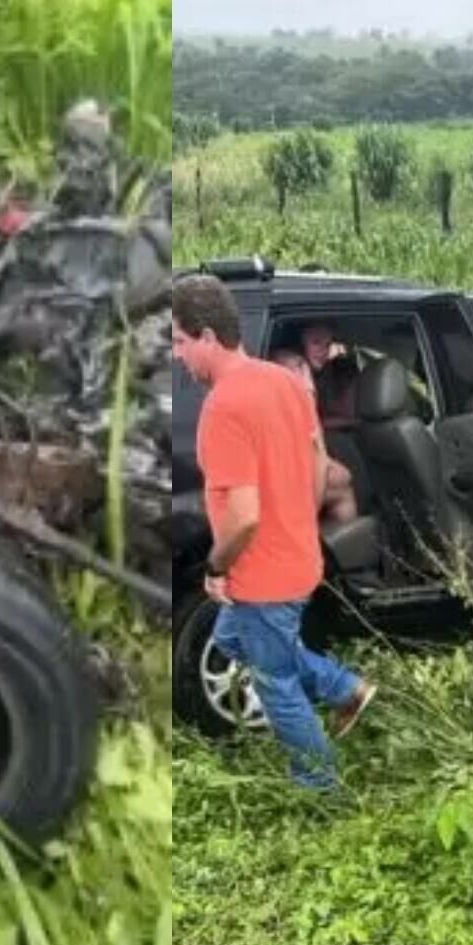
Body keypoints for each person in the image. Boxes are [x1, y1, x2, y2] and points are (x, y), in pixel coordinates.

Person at [166, 276, 376, 788]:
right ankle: (344, 687)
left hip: (261, 575)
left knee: (276, 684)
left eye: (178, 341)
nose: (176, 355)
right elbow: (319, 464)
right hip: (299, 558)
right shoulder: (284, 382)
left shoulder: (223, 410)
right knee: (230, 638)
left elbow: (243, 514)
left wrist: (217, 568)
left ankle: (321, 788)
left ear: (209, 337)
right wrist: (301, 524)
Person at [269, 348, 360, 524]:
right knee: (342, 478)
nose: (323, 351)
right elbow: (319, 456)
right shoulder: (299, 392)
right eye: (316, 343)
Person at [300, 323, 361, 428]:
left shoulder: (322, 375)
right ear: (300, 345)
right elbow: (307, 422)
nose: (323, 351)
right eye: (316, 342)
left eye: (328, 345)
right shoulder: (296, 370)